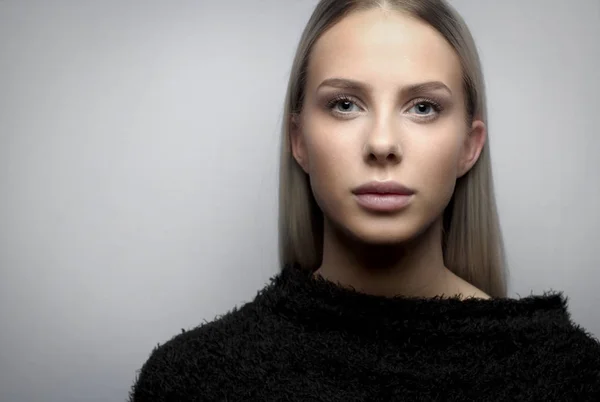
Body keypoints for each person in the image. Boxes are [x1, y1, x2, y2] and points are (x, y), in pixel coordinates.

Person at [129, 0, 600, 400]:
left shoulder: (574, 379)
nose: (381, 144)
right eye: (345, 104)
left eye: (423, 107)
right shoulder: (192, 382)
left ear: (469, 147)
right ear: (298, 140)